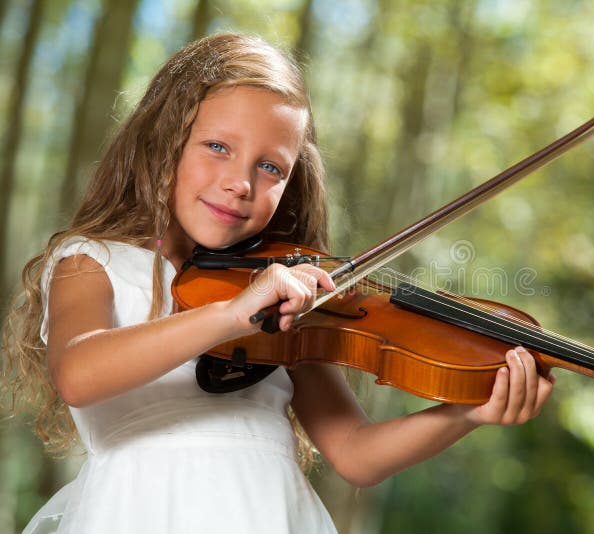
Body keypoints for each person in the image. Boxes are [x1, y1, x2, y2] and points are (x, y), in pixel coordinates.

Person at [2, 33, 555, 533]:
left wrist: (467, 411)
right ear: (163, 140)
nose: (240, 182)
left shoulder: (284, 298)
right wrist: (231, 314)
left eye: (271, 168)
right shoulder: (90, 261)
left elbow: (356, 454)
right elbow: (79, 372)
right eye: (217, 147)